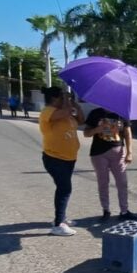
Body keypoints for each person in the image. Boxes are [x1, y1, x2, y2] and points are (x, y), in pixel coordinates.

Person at [40, 86, 85, 236]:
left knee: (63, 189)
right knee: (64, 189)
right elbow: (66, 111)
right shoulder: (48, 111)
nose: (66, 100)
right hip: (55, 158)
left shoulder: (65, 113)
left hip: (68, 158)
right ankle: (58, 224)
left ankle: (61, 217)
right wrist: (67, 99)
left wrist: (76, 105)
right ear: (55, 99)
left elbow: (81, 120)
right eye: (62, 97)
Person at [84, 107, 137, 222]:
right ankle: (106, 210)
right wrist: (96, 130)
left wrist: (130, 153)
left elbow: (128, 133)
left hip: (118, 152)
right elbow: (86, 133)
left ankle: (124, 211)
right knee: (103, 183)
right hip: (98, 153)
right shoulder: (95, 113)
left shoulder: (121, 112)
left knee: (122, 182)